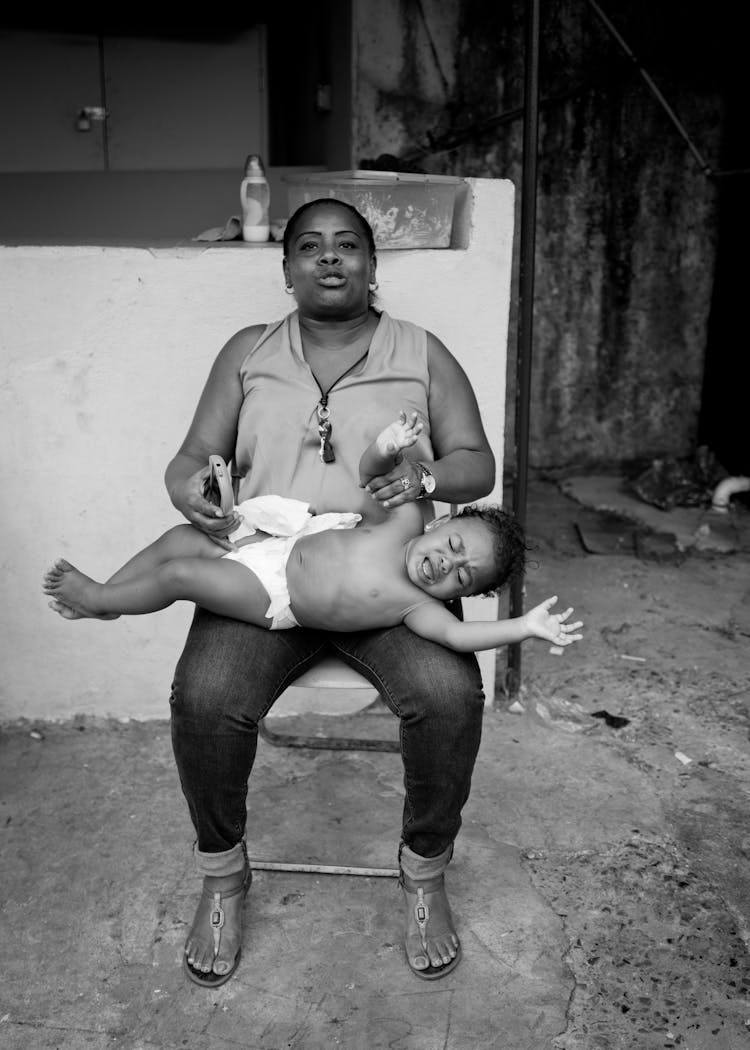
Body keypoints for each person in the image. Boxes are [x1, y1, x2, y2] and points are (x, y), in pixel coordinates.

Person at [57, 195, 559, 988]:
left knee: (449, 695)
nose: (330, 258)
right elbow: (190, 457)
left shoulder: (421, 352)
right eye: (311, 247)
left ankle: (424, 873)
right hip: (269, 569)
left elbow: (476, 463)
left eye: (348, 245)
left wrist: (425, 475)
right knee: (206, 694)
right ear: (285, 267)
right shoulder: (249, 351)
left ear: (371, 263)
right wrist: (192, 491)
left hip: (389, 579)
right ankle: (222, 878)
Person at [44, 412, 584, 657]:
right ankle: (111, 598)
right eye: (454, 546)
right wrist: (389, 444)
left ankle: (97, 598)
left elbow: (459, 638)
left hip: (276, 599)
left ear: (461, 596)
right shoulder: (405, 519)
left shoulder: (415, 607)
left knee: (183, 574)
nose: (447, 564)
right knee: (177, 540)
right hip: (275, 548)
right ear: (442, 520)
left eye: (462, 578)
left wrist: (523, 627)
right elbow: (370, 473)